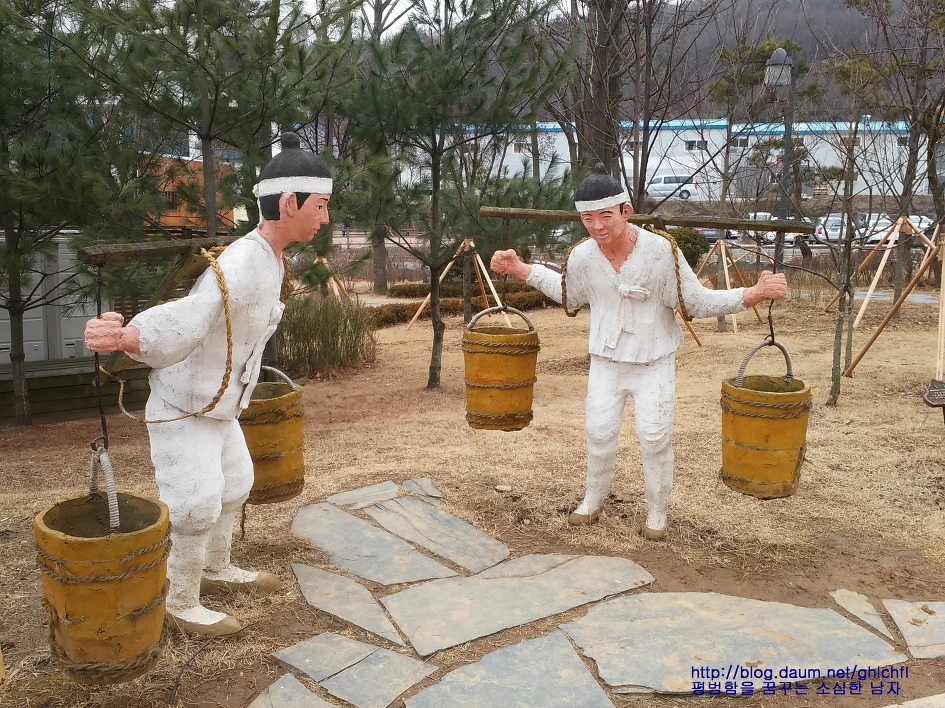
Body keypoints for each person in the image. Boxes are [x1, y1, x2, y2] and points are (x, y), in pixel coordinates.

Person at [84, 133, 332, 635]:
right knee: (195, 503)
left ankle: (216, 569)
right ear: (290, 203)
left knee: (236, 485)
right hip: (185, 407)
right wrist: (130, 336)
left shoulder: (272, 258)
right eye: (320, 206)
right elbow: (191, 315)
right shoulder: (241, 262)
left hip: (220, 407)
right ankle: (180, 602)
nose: (325, 219)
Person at [490, 164, 787, 540]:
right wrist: (522, 270)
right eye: (587, 218)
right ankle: (593, 499)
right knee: (598, 432)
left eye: (605, 216)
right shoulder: (582, 257)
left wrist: (752, 294)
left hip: (653, 361)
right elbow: (569, 292)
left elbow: (695, 301)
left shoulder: (661, 252)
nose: (597, 226)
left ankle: (657, 512)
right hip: (606, 361)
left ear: (625, 211)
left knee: (654, 435)